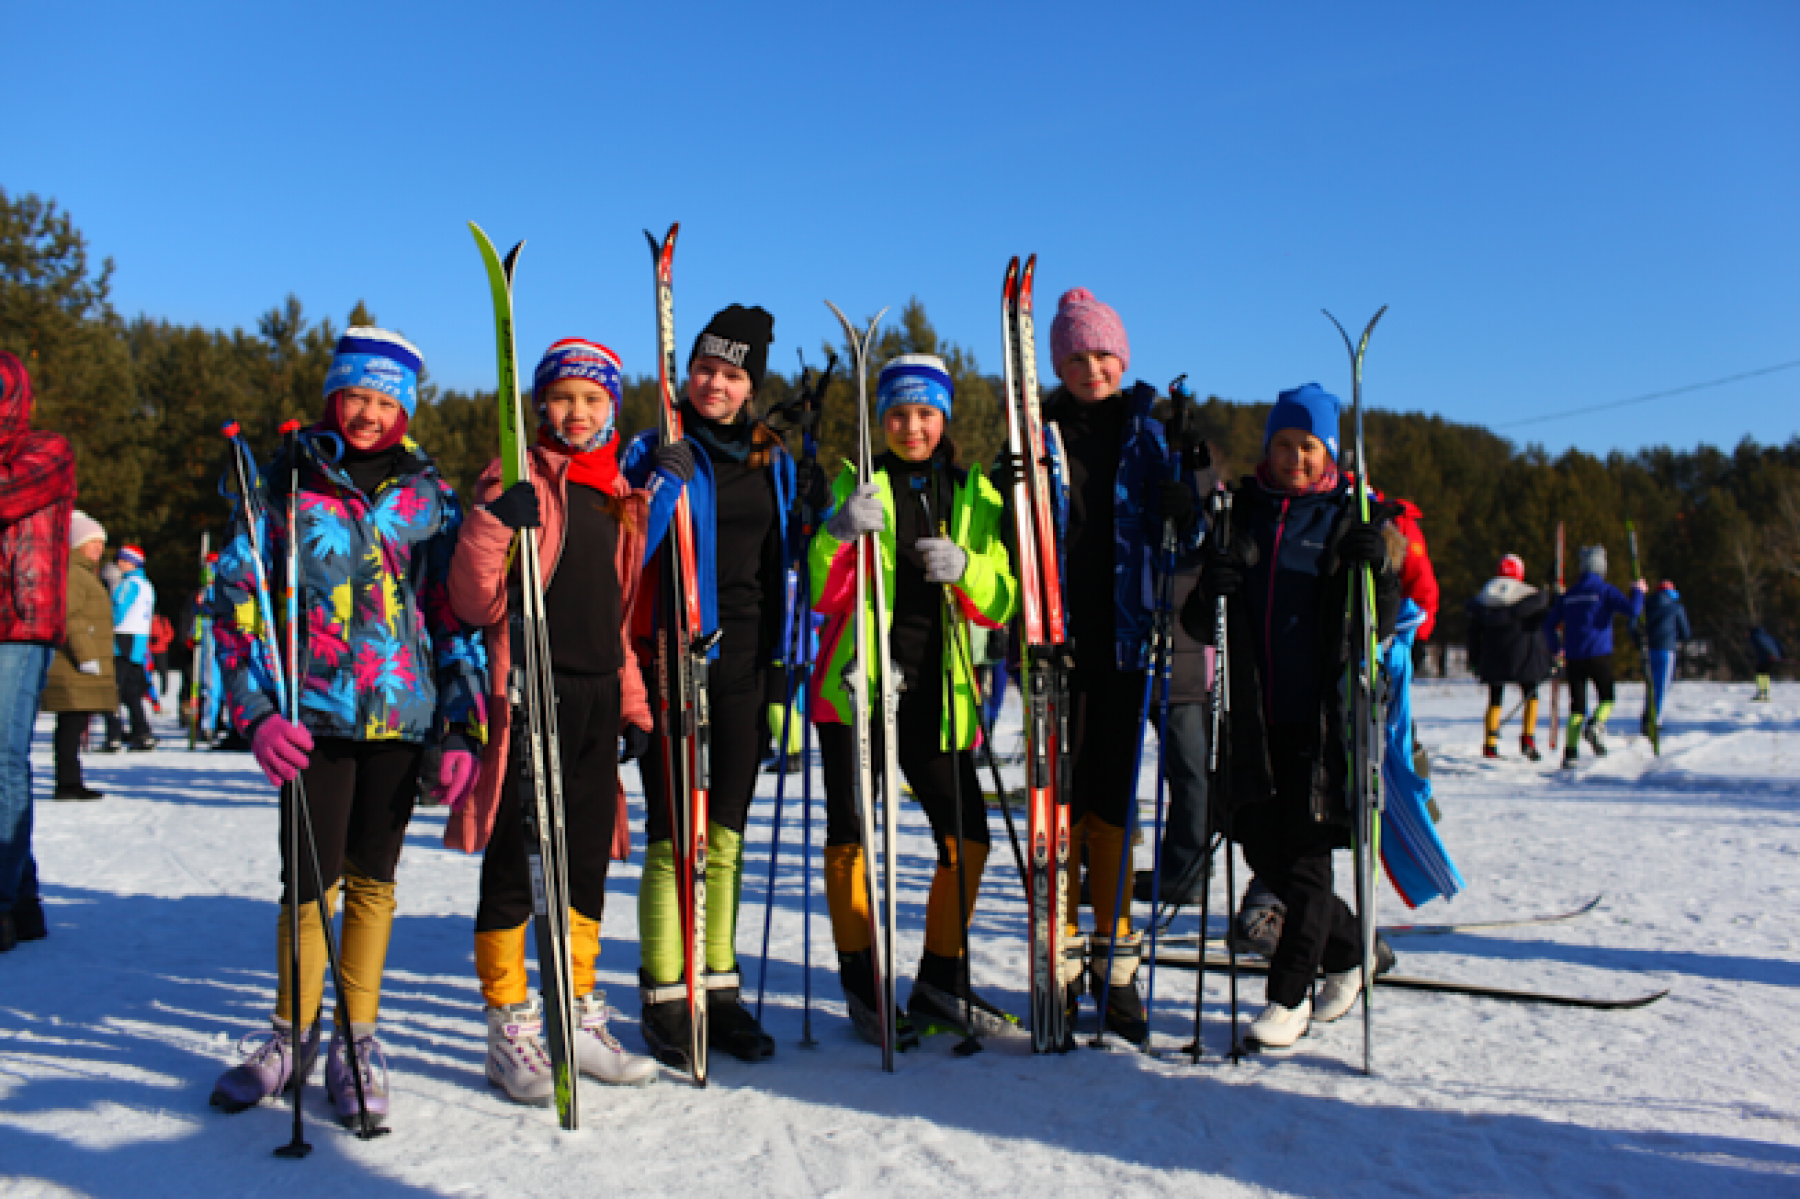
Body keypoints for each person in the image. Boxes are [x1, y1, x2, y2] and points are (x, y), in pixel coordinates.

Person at [208, 327, 486, 1126]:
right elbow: (236, 599)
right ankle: (288, 1036)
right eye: (356, 396)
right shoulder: (289, 482)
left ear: (405, 407)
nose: (368, 413)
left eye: (385, 400)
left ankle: (356, 1038)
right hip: (313, 716)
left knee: (373, 877)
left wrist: (462, 723)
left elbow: (452, 613)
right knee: (307, 878)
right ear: (335, 395)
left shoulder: (429, 497)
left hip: (401, 716)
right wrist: (255, 714)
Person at [445, 338, 660, 1102]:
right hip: (532, 688)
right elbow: (475, 600)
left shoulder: (617, 494)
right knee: (516, 863)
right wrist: (491, 521)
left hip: (601, 694)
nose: (578, 412)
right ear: (541, 404)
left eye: (593, 400)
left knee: (587, 866)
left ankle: (578, 1012)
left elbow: (616, 612)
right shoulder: (516, 474)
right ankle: (509, 1023)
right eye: (564, 397)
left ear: (612, 409)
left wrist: (634, 703)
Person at [1179, 382, 1403, 1051]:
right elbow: (1198, 622)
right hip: (1250, 716)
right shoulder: (1239, 513)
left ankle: (1288, 993)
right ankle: (1348, 950)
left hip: (1320, 719)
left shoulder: (1348, 520)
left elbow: (1380, 625)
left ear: (1328, 451)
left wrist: (1380, 572)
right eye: (1283, 444)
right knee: (1258, 846)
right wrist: (1214, 580)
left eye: (1308, 446)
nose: (1294, 458)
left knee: (1306, 864)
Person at [809, 354, 1019, 1041]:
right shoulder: (857, 483)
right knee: (853, 835)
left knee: (968, 834)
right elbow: (819, 591)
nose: (911, 426)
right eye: (898, 413)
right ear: (882, 419)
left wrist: (968, 569)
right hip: (858, 687)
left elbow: (1000, 600)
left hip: (938, 685)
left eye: (925, 413)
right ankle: (863, 984)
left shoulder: (974, 493)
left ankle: (940, 978)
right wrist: (838, 533)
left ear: (944, 418)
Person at [620, 304, 795, 1068]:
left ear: (751, 384)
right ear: (683, 373)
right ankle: (666, 990)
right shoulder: (649, 446)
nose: (715, 384)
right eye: (704, 370)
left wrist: (784, 669)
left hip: (748, 661)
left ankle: (718, 988)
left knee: (724, 831)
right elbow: (624, 552)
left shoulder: (772, 460)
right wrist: (656, 484)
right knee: (672, 833)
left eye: (731, 374)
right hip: (670, 652)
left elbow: (779, 563)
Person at [1030, 287, 1199, 1042]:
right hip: (1057, 642)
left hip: (1127, 642)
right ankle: (1062, 961)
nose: (1089, 367)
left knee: (1113, 805)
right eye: (1074, 356)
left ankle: (1116, 964)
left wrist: (1186, 502)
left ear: (1121, 359)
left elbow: (1189, 544)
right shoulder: (1038, 432)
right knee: (1058, 809)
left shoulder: (1148, 433)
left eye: (1101, 355)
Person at [0, 351, 77, 953]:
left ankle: (2, 902)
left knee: (3, 759)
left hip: (20, 624)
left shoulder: (46, 451)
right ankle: (23, 901)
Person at [1545, 545, 1645, 767]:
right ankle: (1596, 724)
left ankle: (1570, 752)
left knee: (1577, 705)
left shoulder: (1569, 594)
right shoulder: (1606, 591)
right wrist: (1638, 591)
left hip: (1574, 656)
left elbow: (1549, 624)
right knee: (1607, 697)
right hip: (1599, 653)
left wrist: (1556, 648)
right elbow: (1632, 612)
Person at [43, 511, 116, 801]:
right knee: (71, 726)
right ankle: (67, 782)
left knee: (74, 725)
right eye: (93, 543)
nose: (98, 549)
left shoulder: (84, 573)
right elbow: (68, 617)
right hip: (73, 667)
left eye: (100, 544)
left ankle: (71, 780)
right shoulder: (74, 574)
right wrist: (85, 655)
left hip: (79, 667)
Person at [1466, 553, 1555, 760]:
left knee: (1495, 698)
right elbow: (1546, 621)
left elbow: (1473, 633)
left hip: (1492, 657)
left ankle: (1490, 744)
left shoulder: (1483, 600)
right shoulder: (1532, 599)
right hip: (1525, 658)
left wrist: (1474, 660)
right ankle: (1528, 739)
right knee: (1530, 694)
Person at [110, 545, 158, 750]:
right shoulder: (147, 584)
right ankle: (141, 731)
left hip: (123, 637)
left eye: (122, 559)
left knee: (115, 688)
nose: (118, 563)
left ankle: (114, 734)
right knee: (131, 690)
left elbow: (118, 610)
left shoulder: (129, 584)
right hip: (138, 639)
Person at [1636, 580, 1691, 731]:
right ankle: (1655, 720)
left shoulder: (1647, 605)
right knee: (1661, 686)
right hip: (1667, 650)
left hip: (1649, 649)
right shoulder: (1675, 607)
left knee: (1650, 684)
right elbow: (1685, 632)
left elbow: (1636, 623)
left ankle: (1647, 716)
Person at [1749, 626, 1782, 702]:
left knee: (1761, 674)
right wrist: (1779, 655)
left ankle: (1762, 693)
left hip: (1766, 659)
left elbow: (1765, 646)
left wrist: (1771, 654)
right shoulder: (1767, 636)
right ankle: (1764, 693)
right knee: (1764, 674)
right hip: (1771, 658)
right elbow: (1779, 644)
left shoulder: (1756, 636)